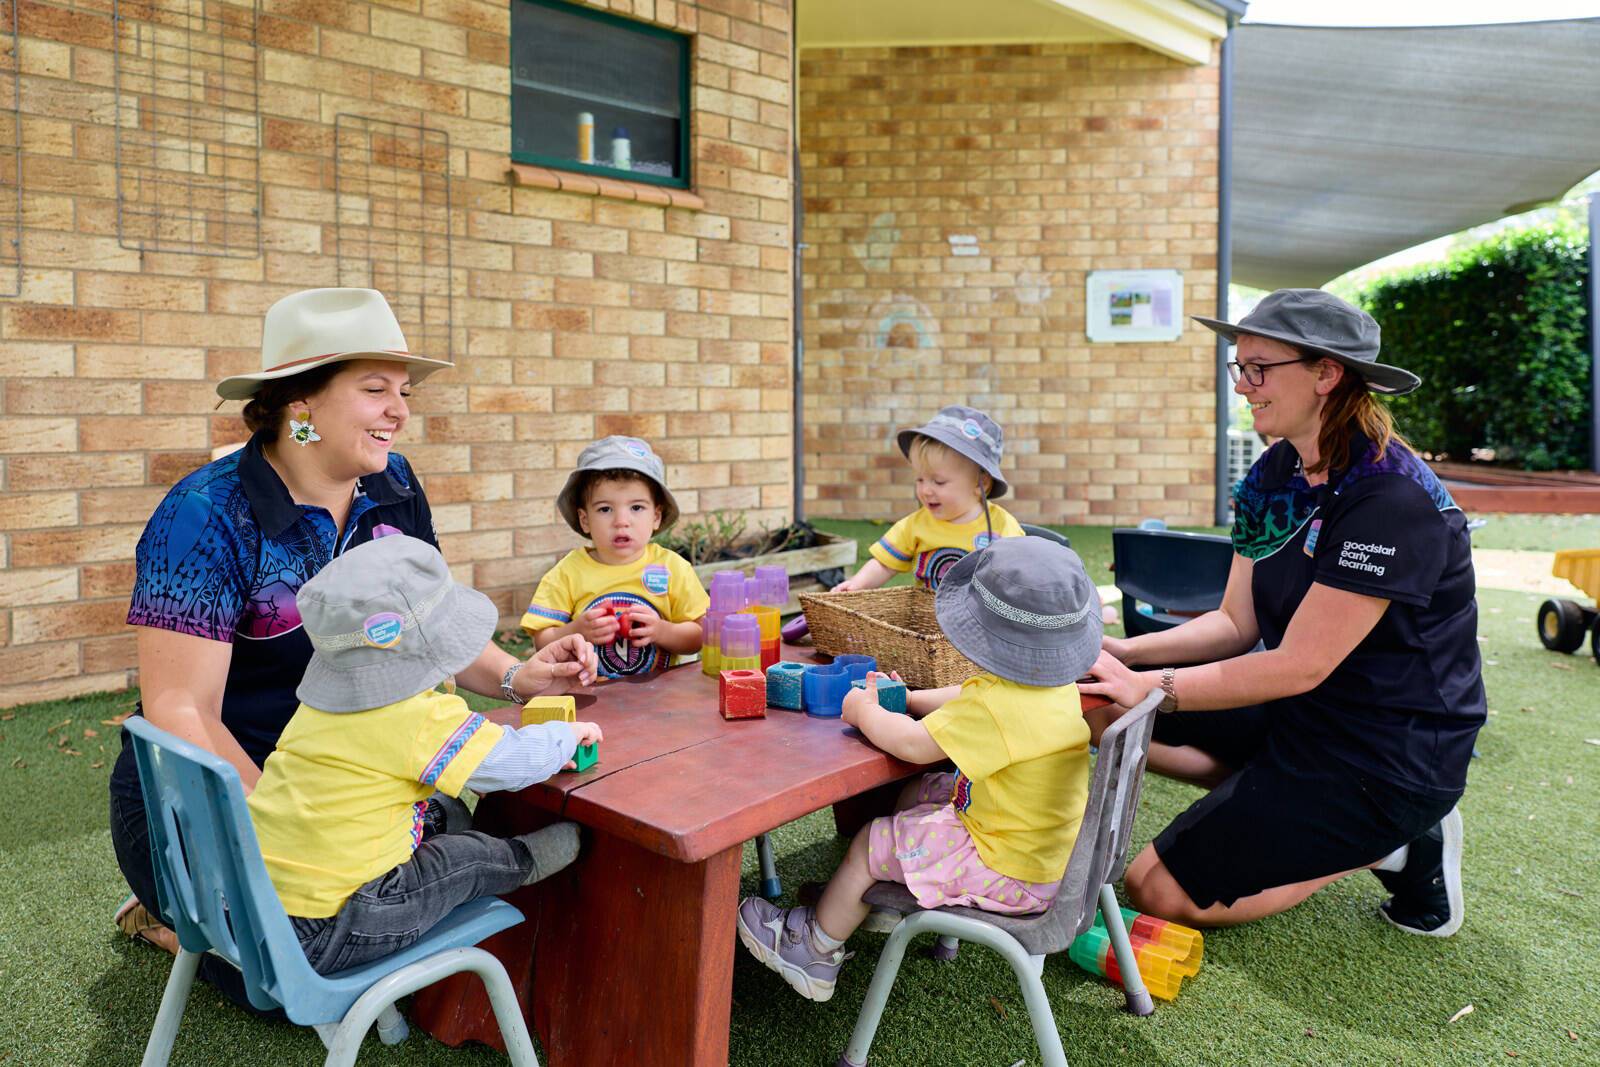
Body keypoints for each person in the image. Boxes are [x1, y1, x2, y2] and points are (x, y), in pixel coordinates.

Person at [110, 288, 599, 1007]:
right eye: (375, 389)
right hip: (218, 797)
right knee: (292, 987)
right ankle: (175, 921)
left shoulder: (393, 485)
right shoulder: (203, 515)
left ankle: (227, 932)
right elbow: (182, 710)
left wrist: (519, 674)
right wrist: (283, 841)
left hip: (350, 779)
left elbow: (423, 626)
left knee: (456, 836)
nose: (399, 410)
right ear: (299, 403)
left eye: (403, 392)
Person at [1081, 288, 1485, 937]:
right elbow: (1235, 623)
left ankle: (1399, 844)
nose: (1243, 385)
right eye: (1239, 367)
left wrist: (1153, 687)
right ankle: (1286, 805)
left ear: (1326, 373)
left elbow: (1300, 664)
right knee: (1101, 707)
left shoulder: (1390, 498)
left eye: (1260, 368)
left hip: (1388, 751)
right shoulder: (1275, 471)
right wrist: (1125, 655)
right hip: (1302, 713)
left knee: (1153, 887)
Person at [736, 537, 1102, 1001]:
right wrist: (909, 698)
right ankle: (879, 893)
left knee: (872, 840)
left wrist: (864, 711)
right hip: (1038, 851)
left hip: (1006, 869)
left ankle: (814, 948)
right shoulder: (1052, 685)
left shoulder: (997, 709)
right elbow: (968, 695)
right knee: (921, 792)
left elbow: (912, 745)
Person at [248, 535, 601, 973]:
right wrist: (565, 736)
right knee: (458, 860)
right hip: (335, 927)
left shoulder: (319, 706)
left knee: (441, 807)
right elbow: (506, 763)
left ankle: (450, 828)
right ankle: (523, 860)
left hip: (260, 911)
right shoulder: (418, 717)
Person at [520, 436, 709, 678]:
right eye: (605, 509)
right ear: (585, 520)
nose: (621, 521)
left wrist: (662, 631)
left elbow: (700, 635)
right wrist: (576, 630)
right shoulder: (567, 572)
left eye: (636, 507)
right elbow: (542, 641)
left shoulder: (672, 568)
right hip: (588, 693)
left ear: (656, 516)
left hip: (660, 694)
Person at [832, 405, 1025, 593]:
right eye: (920, 480)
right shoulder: (914, 525)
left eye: (939, 482)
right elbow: (884, 565)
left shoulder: (1003, 527)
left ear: (980, 482)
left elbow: (1022, 574)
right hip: (925, 614)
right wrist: (857, 584)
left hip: (979, 615)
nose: (925, 490)